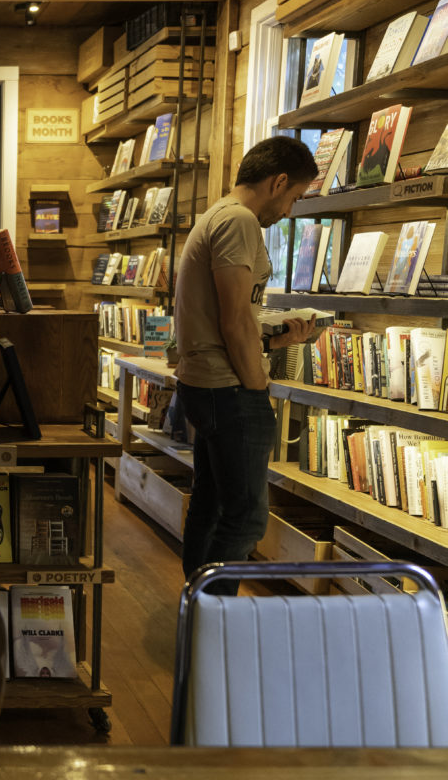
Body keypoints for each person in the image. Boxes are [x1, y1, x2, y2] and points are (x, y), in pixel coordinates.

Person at [174, 135, 319, 592]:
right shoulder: (239, 222)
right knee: (247, 518)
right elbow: (235, 321)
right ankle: (214, 622)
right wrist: (258, 390)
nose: (290, 211)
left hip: (205, 382)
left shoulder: (217, 215)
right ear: (278, 181)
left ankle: (197, 614)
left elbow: (228, 319)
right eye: (294, 196)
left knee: (213, 502)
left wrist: (272, 342)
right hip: (229, 389)